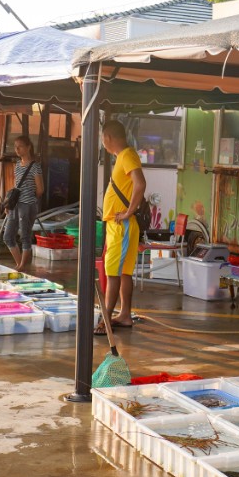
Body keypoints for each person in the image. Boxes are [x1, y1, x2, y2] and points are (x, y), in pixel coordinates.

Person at [98, 119, 146, 333]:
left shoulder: (127, 155)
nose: (103, 143)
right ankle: (124, 315)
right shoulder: (123, 157)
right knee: (123, 272)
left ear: (107, 137)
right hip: (119, 225)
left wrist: (128, 211)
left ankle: (106, 319)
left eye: (102, 139)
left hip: (122, 225)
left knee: (113, 272)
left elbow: (140, 183)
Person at [2, 134, 43, 272]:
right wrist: (9, 204)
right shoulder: (18, 166)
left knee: (25, 236)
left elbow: (40, 189)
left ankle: (21, 266)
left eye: (20, 147)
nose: (17, 149)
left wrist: (29, 198)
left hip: (27, 205)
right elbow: (16, 187)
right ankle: (21, 265)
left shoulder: (35, 166)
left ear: (28, 147)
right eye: (15, 147)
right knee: (8, 236)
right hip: (16, 204)